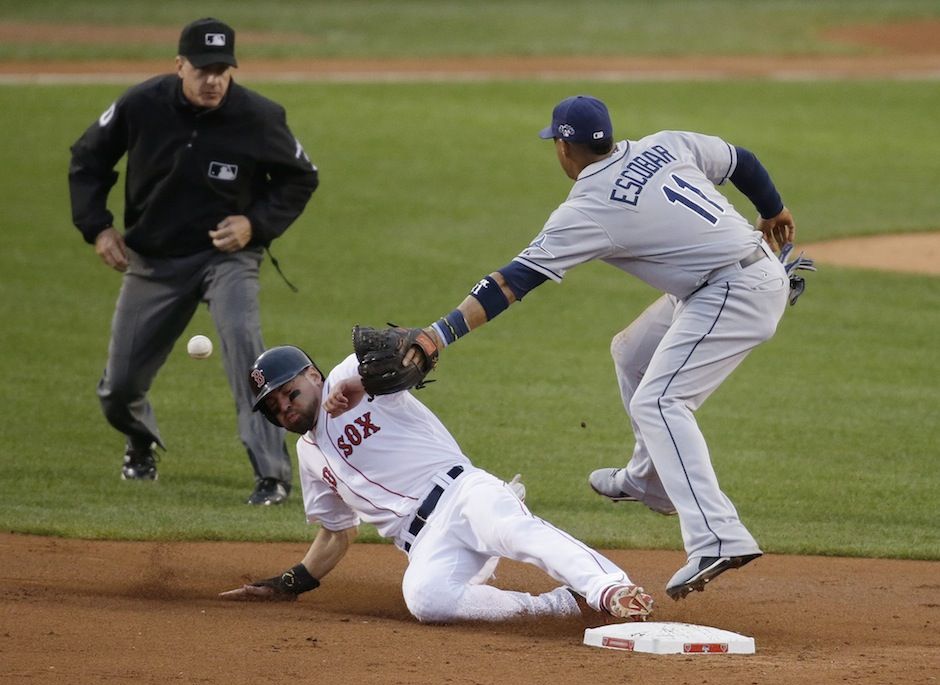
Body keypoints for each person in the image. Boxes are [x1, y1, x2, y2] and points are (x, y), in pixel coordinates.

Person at [404, 95, 800, 600]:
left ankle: (717, 536)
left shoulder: (588, 207)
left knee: (661, 401)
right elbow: (741, 159)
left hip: (732, 293)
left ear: (564, 148)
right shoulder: (665, 143)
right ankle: (648, 481)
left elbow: (512, 282)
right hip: (735, 278)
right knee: (631, 352)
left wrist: (439, 332)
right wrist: (774, 210)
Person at [68, 18, 319, 505]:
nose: (213, 80)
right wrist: (97, 227)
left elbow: (300, 177)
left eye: (223, 69)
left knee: (249, 355)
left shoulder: (258, 116)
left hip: (228, 259)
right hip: (155, 260)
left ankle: (272, 477)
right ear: (179, 65)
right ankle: (140, 440)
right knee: (119, 386)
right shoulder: (141, 104)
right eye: (203, 69)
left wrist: (255, 225)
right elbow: (88, 158)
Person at [217, 345, 655, 624]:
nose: (286, 409)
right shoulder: (308, 456)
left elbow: (410, 353)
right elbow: (336, 532)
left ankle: (609, 588)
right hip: (425, 543)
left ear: (313, 376)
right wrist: (291, 583)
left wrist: (357, 381)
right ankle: (559, 606)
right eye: (275, 408)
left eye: (290, 394)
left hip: (463, 494)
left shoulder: (350, 375)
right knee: (425, 599)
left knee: (513, 530)